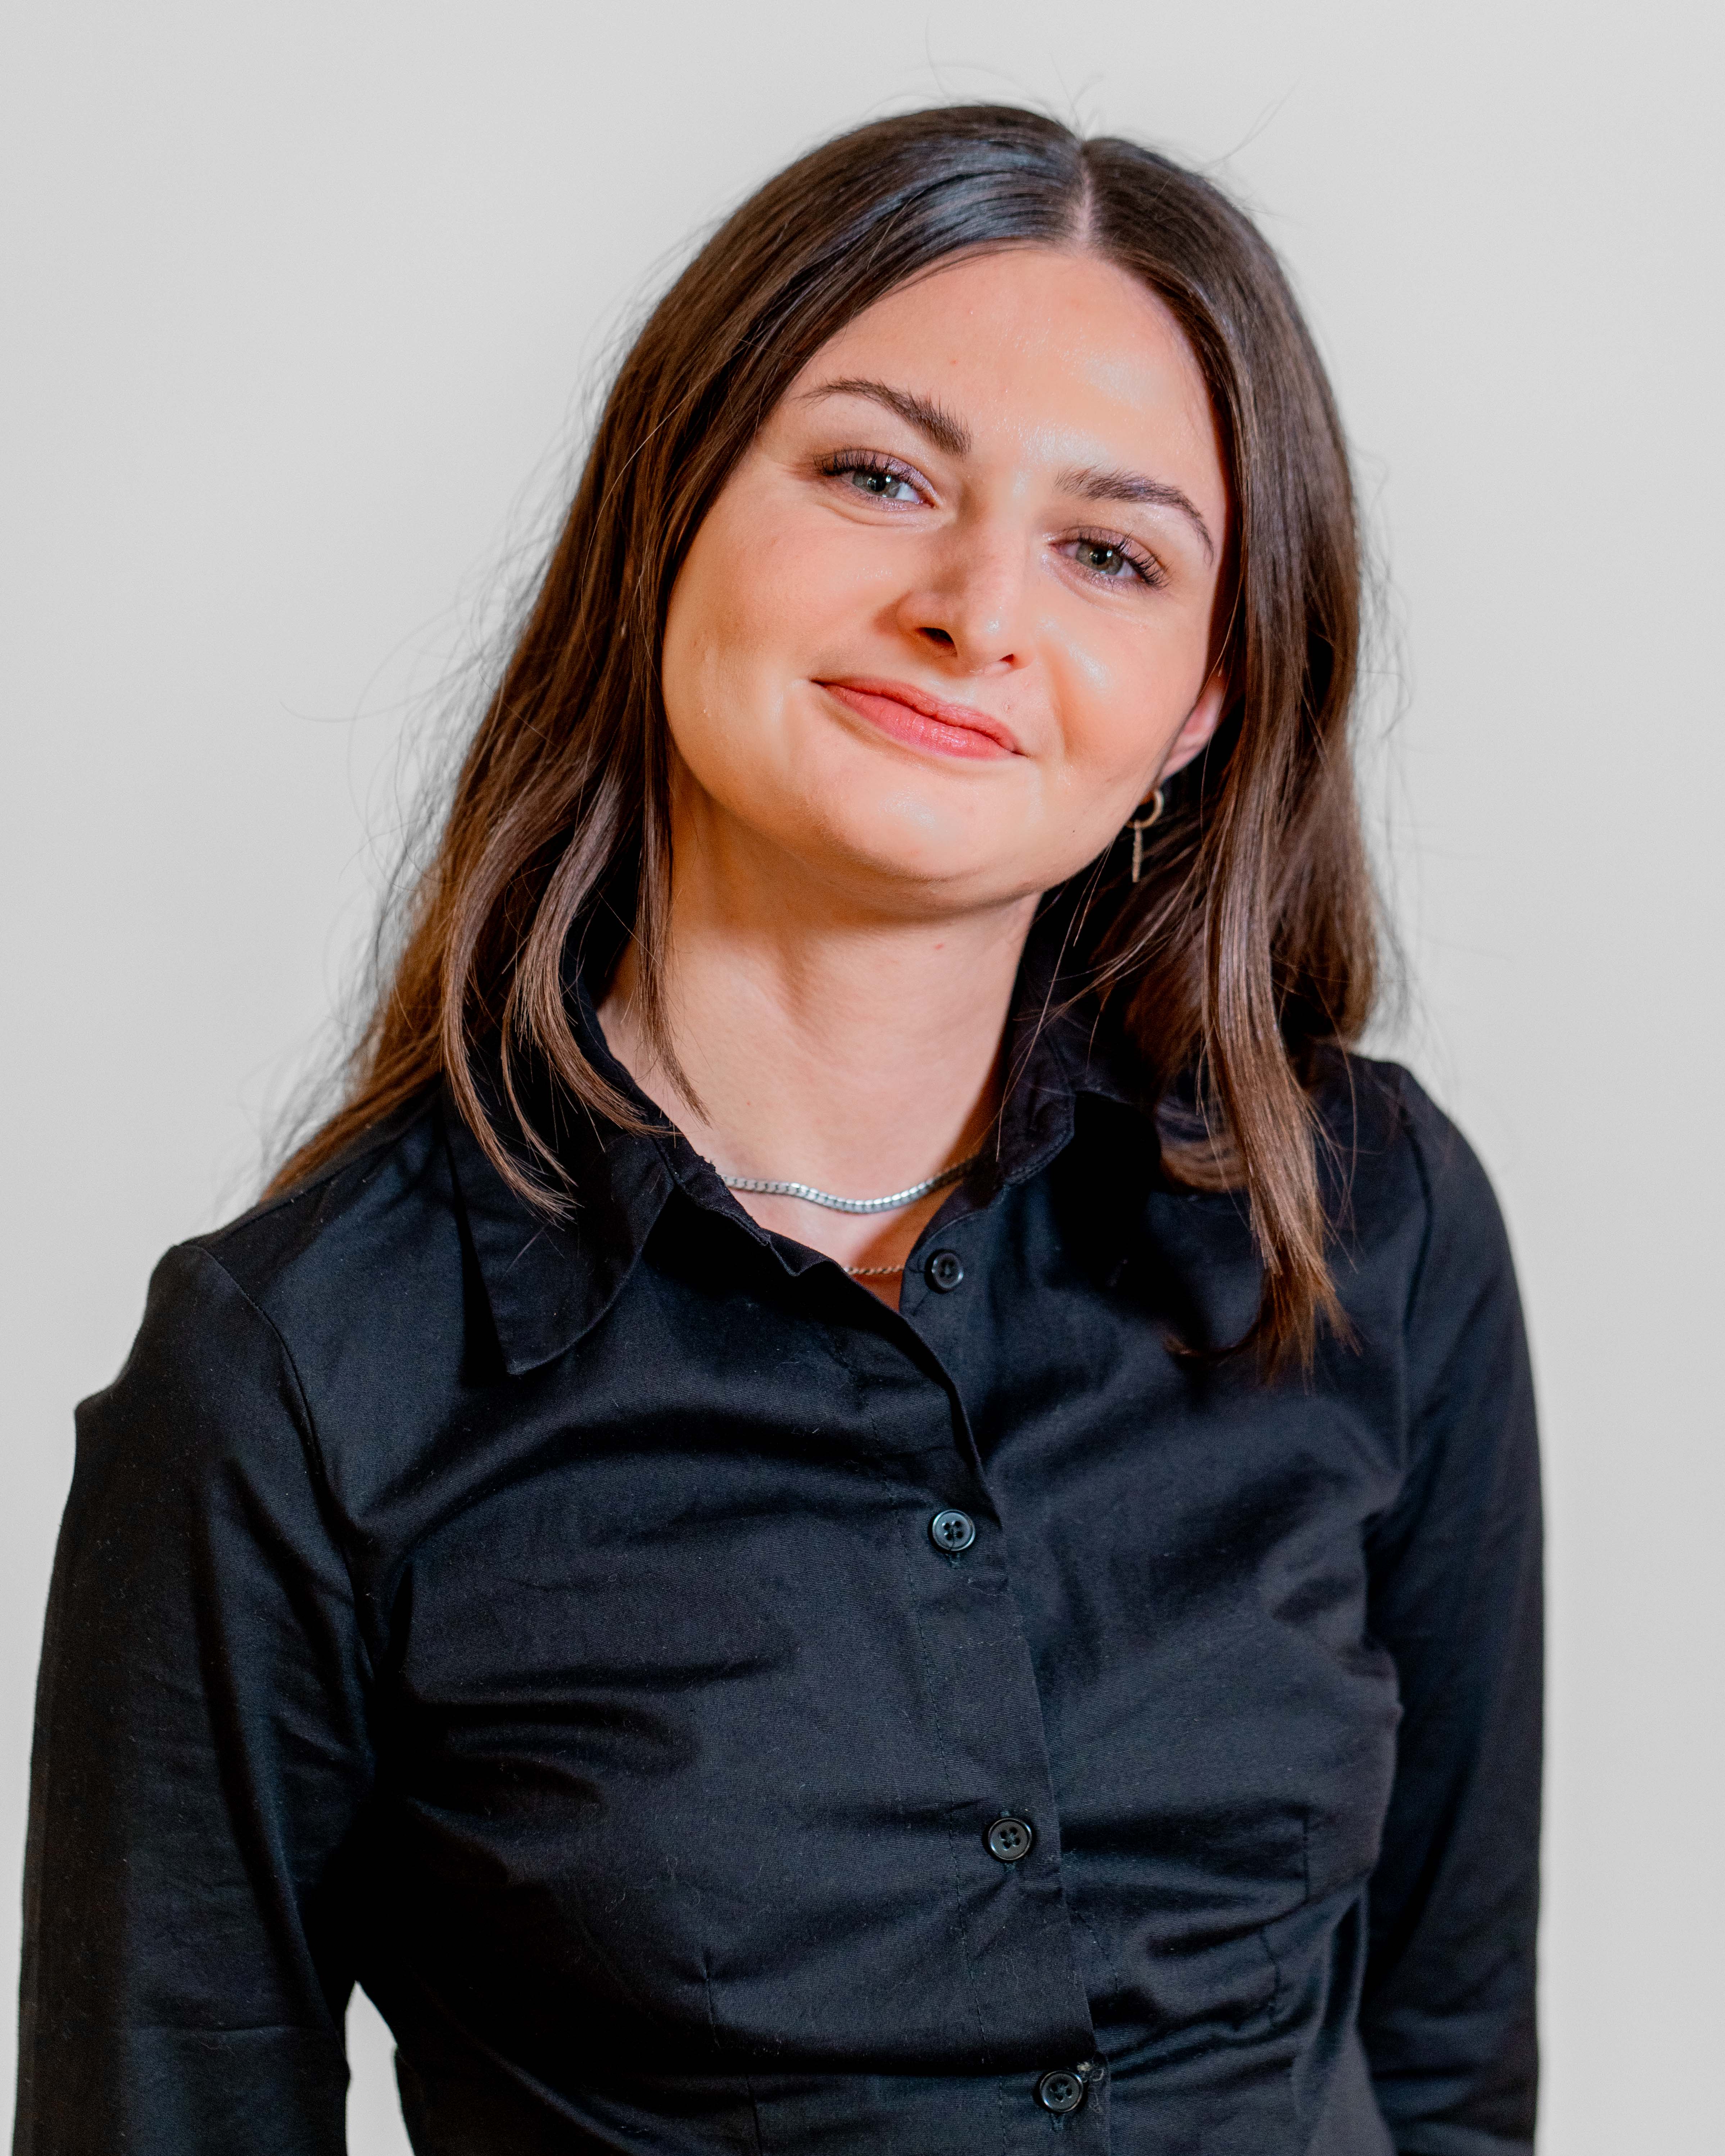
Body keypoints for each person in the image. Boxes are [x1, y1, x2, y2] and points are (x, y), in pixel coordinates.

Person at [14, 104, 1541, 2156]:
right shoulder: (292, 1380)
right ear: (672, 509)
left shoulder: (1365, 1219)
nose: (977, 610)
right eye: (879, 475)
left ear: (1203, 700)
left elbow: (1450, 2065)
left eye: (1111, 553)